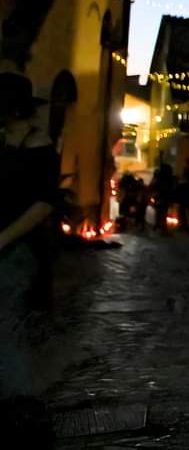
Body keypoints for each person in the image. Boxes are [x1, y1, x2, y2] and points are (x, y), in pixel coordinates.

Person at [0, 71, 59, 447]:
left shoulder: (39, 148)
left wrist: (4, 237)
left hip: (19, 248)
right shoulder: (2, 141)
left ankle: (23, 409)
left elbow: (44, 203)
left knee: (6, 324)